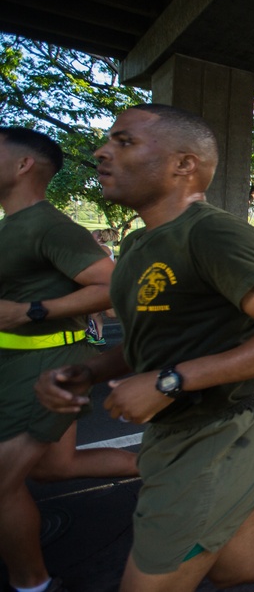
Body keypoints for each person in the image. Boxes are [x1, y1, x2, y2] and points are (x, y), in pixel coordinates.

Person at [34, 105, 254, 592]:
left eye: (124, 142)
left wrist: (169, 381)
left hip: (224, 432)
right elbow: (155, 340)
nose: (101, 152)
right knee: (238, 565)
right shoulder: (139, 245)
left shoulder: (213, 232)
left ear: (184, 165)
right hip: (179, 431)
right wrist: (88, 372)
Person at [0, 127, 138, 592]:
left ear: (23, 165)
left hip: (47, 366)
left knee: (1, 482)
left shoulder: (48, 225)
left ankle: (32, 585)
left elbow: (113, 285)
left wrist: (32, 311)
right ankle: (175, 468)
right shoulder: (11, 225)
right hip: (15, 365)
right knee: (54, 468)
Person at [86, 228, 119, 346]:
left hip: (105, 285)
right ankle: (98, 336)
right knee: (94, 311)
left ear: (99, 238)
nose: (90, 237)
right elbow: (115, 264)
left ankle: (136, 316)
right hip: (101, 285)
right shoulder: (105, 249)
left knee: (111, 313)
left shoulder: (102, 249)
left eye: (92, 236)